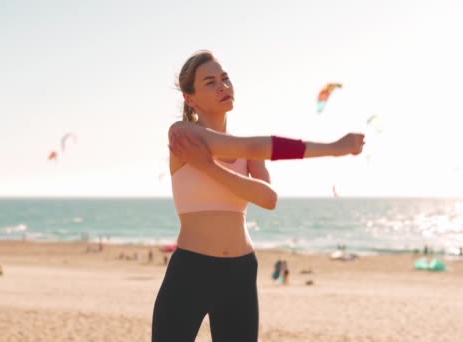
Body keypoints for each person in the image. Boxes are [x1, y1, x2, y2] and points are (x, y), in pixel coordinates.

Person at [151, 50, 365, 341]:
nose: (223, 86)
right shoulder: (181, 134)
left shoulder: (245, 146)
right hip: (191, 270)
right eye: (210, 82)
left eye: (225, 78)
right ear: (190, 99)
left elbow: (268, 199)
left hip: (239, 271)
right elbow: (252, 151)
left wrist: (207, 166)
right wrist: (332, 148)